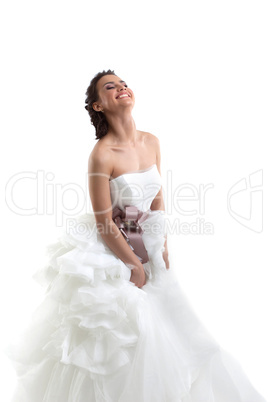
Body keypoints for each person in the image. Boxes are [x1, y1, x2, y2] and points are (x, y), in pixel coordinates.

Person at [7, 69, 266, 402]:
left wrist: (162, 248)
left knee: (188, 335)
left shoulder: (152, 141)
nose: (121, 88)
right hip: (111, 247)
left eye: (124, 83)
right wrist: (134, 265)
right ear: (98, 106)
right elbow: (103, 221)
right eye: (110, 87)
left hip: (146, 240)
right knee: (132, 333)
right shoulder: (101, 154)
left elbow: (157, 200)